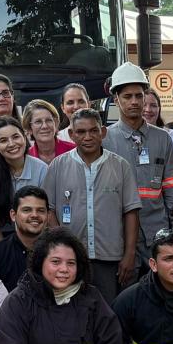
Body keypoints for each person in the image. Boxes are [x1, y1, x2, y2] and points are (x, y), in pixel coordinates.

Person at [43, 108, 142, 301]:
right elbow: (49, 210)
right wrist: (63, 245)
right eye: (81, 132)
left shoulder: (120, 166)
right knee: (71, 312)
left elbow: (131, 212)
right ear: (72, 135)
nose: (88, 137)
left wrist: (129, 254)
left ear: (103, 132)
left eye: (93, 130)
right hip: (71, 260)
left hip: (110, 258)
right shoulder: (58, 165)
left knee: (108, 313)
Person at [105, 63, 173, 265]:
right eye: (127, 97)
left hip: (157, 231)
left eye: (138, 96)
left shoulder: (162, 138)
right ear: (116, 100)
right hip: (118, 233)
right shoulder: (105, 139)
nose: (134, 102)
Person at [0, 117, 50, 243]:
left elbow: (42, 215)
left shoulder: (41, 168)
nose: (11, 144)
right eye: (3, 140)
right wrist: (3, 253)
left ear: (25, 137)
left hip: (29, 229)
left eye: (16, 137)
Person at [0, 186, 49, 290]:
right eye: (27, 210)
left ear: (48, 216)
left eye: (40, 210)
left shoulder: (59, 253)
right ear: (13, 215)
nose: (34, 215)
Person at [144, 91, 173, 176]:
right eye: (144, 105)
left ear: (159, 109)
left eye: (153, 105)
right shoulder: (129, 139)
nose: (148, 110)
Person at [25, 99, 74, 165]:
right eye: (38, 122)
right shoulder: (25, 158)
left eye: (49, 120)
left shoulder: (74, 151)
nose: (44, 126)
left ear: (56, 124)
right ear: (29, 128)